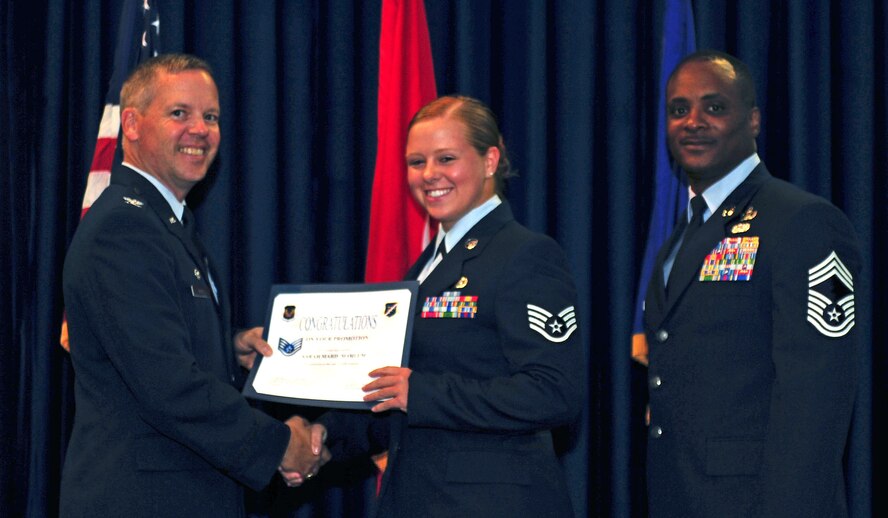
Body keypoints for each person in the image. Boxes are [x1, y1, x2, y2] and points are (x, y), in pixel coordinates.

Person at [60, 54, 328, 518]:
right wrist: (281, 445)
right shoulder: (124, 229)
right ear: (132, 124)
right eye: (179, 113)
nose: (200, 129)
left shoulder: (164, 223)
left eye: (211, 117)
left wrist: (227, 348)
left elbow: (150, 346)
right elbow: (168, 386)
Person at [298, 96, 584, 516]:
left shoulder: (525, 254)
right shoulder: (428, 265)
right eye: (417, 162)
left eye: (446, 158)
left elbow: (553, 393)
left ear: (490, 160)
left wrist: (422, 392)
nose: (429, 174)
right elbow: (397, 396)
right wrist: (323, 436)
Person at [643, 50, 861, 517]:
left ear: (754, 120)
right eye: (679, 109)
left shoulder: (802, 221)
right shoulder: (685, 234)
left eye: (714, 107)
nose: (693, 122)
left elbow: (816, 399)